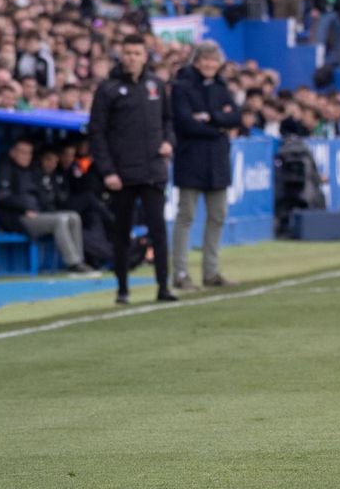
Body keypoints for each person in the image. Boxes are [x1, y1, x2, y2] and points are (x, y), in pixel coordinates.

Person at [89, 36, 176, 305]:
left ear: (145, 56)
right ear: (121, 55)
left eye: (136, 52)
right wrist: (108, 171)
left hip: (152, 171)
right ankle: (122, 288)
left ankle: (163, 286)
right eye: (127, 52)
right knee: (121, 232)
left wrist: (168, 142)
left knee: (158, 231)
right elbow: (97, 133)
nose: (131, 57)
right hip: (122, 175)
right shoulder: (108, 89)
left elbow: (168, 121)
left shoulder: (156, 85)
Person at [170, 42, 238, 291]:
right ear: (196, 61)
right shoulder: (182, 86)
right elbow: (185, 122)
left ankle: (211, 271)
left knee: (218, 215)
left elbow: (235, 116)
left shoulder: (221, 86)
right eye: (205, 60)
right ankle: (180, 273)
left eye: (214, 60)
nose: (210, 64)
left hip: (217, 160)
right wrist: (217, 125)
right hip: (191, 158)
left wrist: (211, 117)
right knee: (186, 216)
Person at [0, 137, 95, 273]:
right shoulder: (5, 168)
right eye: (22, 152)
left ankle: (80, 260)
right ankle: (73, 264)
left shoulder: (31, 170)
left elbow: (40, 195)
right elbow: (1, 196)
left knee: (73, 216)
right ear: (13, 152)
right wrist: (23, 209)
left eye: (29, 153)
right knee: (59, 221)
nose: (26, 156)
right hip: (17, 218)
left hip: (38, 213)